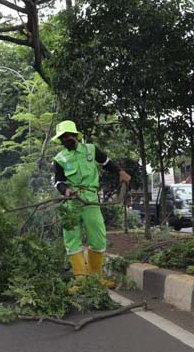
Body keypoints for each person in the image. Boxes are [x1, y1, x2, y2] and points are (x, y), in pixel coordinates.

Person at [52, 120, 131, 290]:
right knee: (72, 240)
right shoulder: (59, 159)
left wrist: (120, 172)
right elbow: (58, 181)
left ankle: (96, 278)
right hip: (71, 202)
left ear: (75, 135)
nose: (66, 139)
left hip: (90, 200)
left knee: (98, 238)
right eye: (63, 138)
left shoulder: (91, 149)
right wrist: (66, 191)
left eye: (68, 136)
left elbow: (107, 162)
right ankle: (81, 281)